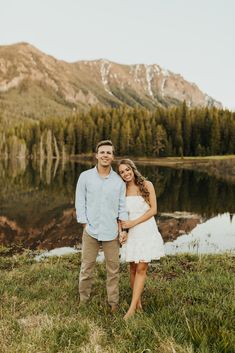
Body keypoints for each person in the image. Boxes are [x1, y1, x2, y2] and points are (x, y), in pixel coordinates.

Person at [75, 140, 128, 312]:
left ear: (112, 157)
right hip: (90, 230)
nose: (105, 155)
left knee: (113, 270)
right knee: (86, 267)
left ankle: (113, 303)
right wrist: (84, 224)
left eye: (109, 152)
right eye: (102, 152)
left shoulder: (118, 182)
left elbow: (121, 208)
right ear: (96, 155)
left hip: (111, 232)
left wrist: (123, 230)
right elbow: (79, 202)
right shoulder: (85, 177)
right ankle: (83, 300)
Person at [118, 159, 165, 320]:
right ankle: (138, 304)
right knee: (132, 268)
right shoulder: (121, 190)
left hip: (145, 230)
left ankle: (131, 309)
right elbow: (120, 215)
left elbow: (153, 210)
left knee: (141, 268)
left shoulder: (147, 185)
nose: (125, 173)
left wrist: (133, 223)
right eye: (122, 172)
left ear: (133, 169)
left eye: (127, 170)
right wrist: (122, 231)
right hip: (130, 233)